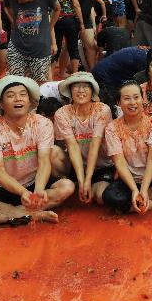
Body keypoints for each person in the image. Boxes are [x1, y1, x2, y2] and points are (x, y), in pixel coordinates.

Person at [0, 76, 75, 225]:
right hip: (4, 186)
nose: (18, 99)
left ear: (30, 101)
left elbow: (44, 161)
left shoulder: (42, 123)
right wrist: (23, 192)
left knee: (67, 187)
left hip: (34, 182)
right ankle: (33, 214)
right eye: (10, 95)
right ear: (1, 104)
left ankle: (8, 214)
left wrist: (39, 190)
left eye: (23, 94)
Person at [98, 81, 152, 213]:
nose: (132, 102)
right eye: (126, 99)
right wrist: (134, 189)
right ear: (119, 103)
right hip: (130, 178)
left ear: (142, 99)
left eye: (136, 97)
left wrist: (143, 190)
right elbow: (119, 161)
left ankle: (137, 201)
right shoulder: (112, 128)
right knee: (109, 197)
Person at [50, 72, 115, 204]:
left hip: (101, 165)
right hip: (76, 163)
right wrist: (81, 180)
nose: (80, 90)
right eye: (76, 86)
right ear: (70, 91)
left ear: (92, 91)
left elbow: (94, 146)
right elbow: (72, 146)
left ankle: (89, 183)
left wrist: (88, 179)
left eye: (85, 86)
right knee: (52, 152)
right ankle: (71, 184)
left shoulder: (102, 110)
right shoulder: (62, 113)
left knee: (102, 198)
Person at [3, 0, 60, 82]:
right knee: (14, 80)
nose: (17, 0)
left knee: (40, 82)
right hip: (17, 45)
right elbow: (6, 6)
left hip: (40, 48)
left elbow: (57, 9)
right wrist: (13, 20)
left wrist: (50, 27)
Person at [50, 0, 86, 76]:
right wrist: (81, 22)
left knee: (56, 48)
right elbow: (76, 5)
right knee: (73, 47)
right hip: (70, 19)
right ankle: (75, 75)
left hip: (54, 19)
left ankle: (49, 75)